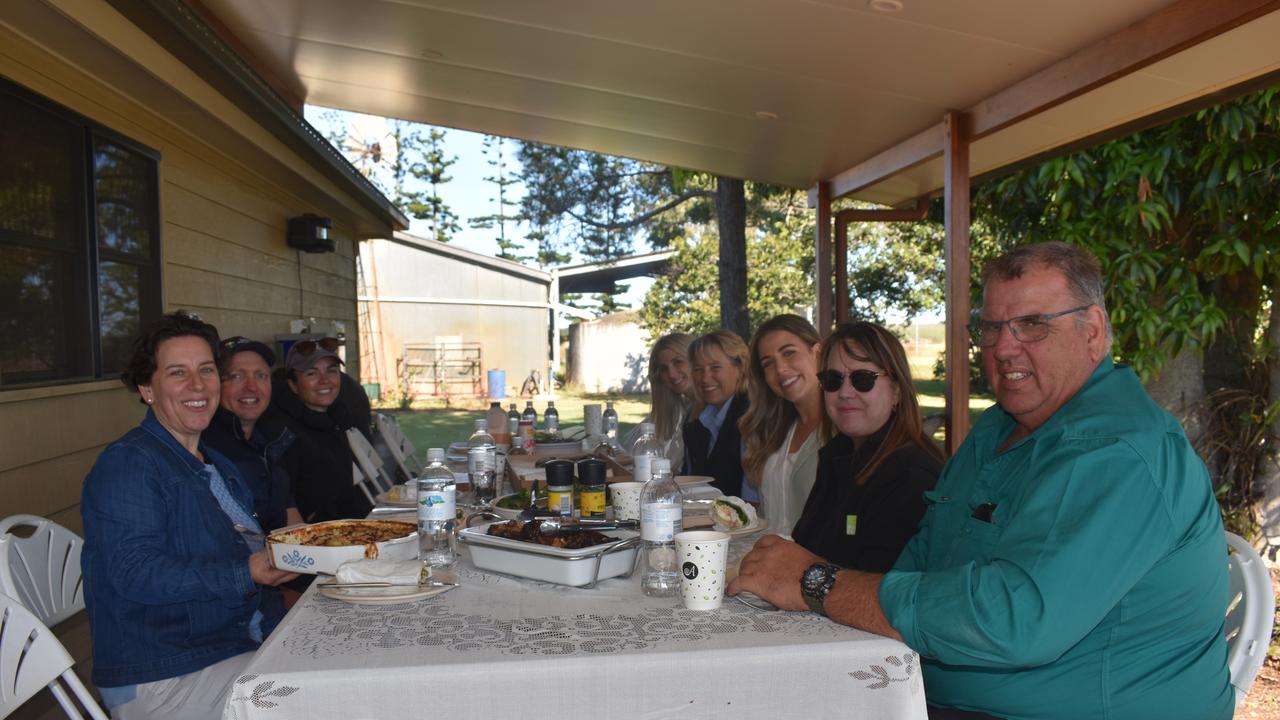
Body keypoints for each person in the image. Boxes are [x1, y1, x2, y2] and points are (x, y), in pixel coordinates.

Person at [728, 242, 1233, 720]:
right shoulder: (997, 428)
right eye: (991, 328)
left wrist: (818, 583)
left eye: (1033, 324)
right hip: (932, 691)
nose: (1005, 348)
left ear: (1093, 331)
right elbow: (925, 556)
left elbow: (1014, 620)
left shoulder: (1118, 451)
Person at [81, 312, 297, 720]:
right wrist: (247, 571)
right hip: (164, 675)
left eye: (207, 370)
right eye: (178, 372)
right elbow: (136, 572)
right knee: (322, 698)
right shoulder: (128, 465)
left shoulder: (213, 464)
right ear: (147, 388)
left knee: (344, 667)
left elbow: (249, 551)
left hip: (228, 646)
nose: (197, 385)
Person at [789, 321, 942, 569]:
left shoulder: (913, 477)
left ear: (897, 391)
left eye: (863, 379)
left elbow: (882, 588)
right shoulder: (839, 457)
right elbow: (806, 543)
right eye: (833, 379)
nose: (845, 392)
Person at [202, 336, 303, 532]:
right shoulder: (205, 448)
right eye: (236, 376)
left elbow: (291, 515)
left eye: (261, 375)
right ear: (215, 384)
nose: (251, 387)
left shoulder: (272, 439)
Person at [739, 315, 826, 535]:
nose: (780, 369)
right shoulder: (773, 430)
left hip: (817, 566)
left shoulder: (845, 430)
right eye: (768, 363)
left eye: (789, 353)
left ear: (817, 352)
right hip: (768, 562)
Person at [271, 336, 373, 521]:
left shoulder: (335, 422)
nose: (325, 380)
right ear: (293, 385)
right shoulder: (286, 435)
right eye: (312, 373)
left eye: (331, 371)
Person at [682, 329, 751, 497]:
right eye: (698, 369)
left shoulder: (751, 417)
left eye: (715, 367)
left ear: (740, 368)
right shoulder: (697, 420)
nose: (705, 378)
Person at [624, 333, 696, 467]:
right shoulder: (675, 413)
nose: (672, 374)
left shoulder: (713, 411)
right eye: (664, 369)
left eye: (678, 362)